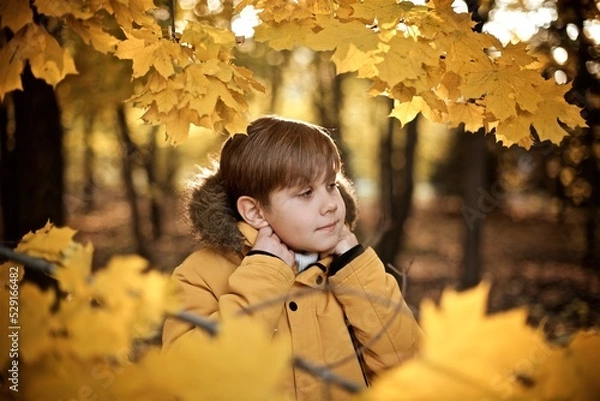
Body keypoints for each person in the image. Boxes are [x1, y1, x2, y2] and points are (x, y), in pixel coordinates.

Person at [162, 115, 422, 401]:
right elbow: (188, 383)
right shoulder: (199, 274)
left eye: (332, 185)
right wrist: (263, 275)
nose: (331, 206)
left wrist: (357, 269)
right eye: (306, 192)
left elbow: (409, 368)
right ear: (256, 212)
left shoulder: (350, 269)